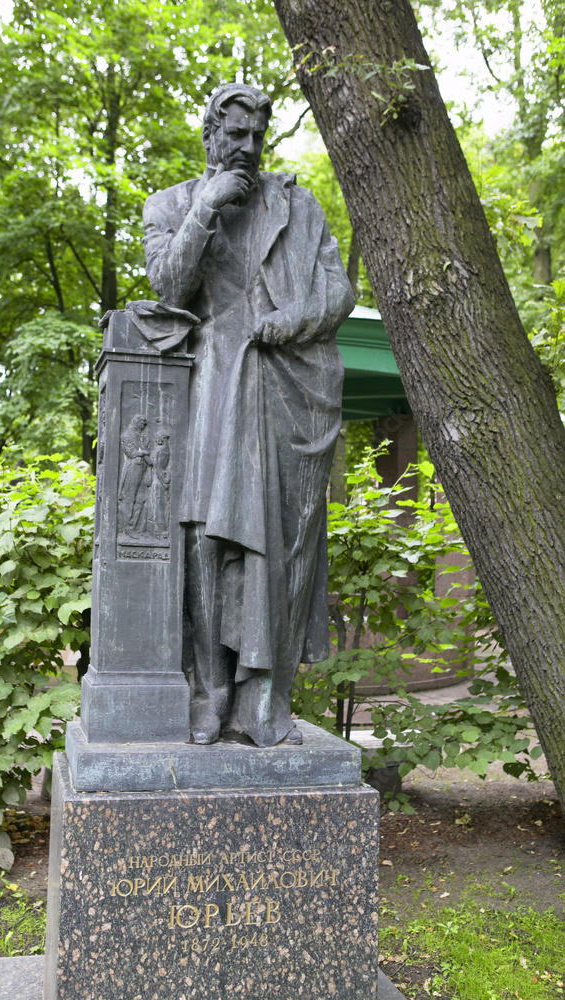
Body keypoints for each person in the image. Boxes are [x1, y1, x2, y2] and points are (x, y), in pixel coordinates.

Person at [142, 83, 355, 747]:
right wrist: (206, 208)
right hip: (218, 372)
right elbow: (169, 287)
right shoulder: (172, 204)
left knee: (281, 548)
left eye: (258, 135)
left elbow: (337, 292)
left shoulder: (296, 202)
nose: (248, 147)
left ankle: (264, 695)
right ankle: (212, 689)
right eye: (236, 135)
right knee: (206, 533)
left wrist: (290, 321)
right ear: (209, 132)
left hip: (289, 382)